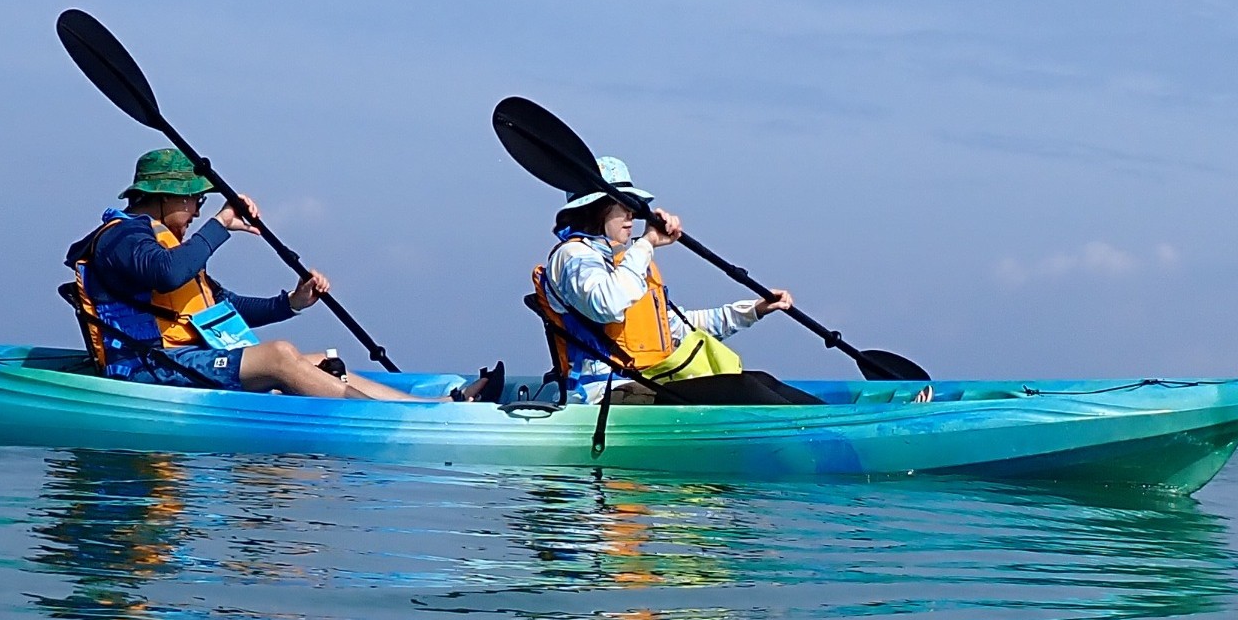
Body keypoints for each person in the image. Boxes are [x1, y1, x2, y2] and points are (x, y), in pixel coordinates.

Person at [67, 149, 465, 401]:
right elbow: (169, 274)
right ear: (166, 196)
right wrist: (221, 225)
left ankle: (430, 409)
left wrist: (290, 304)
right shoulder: (122, 238)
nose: (197, 212)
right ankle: (390, 424)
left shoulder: (168, 246)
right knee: (279, 356)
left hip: (189, 358)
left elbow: (223, 309)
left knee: (325, 361)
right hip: (148, 367)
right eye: (195, 201)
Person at [528, 157, 819, 406]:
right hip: (601, 394)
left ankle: (838, 423)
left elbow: (678, 328)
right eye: (624, 205)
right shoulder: (573, 256)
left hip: (647, 379)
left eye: (635, 205)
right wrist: (647, 244)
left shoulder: (625, 262)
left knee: (760, 379)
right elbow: (608, 304)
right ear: (595, 208)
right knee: (742, 390)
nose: (632, 213)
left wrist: (752, 311)